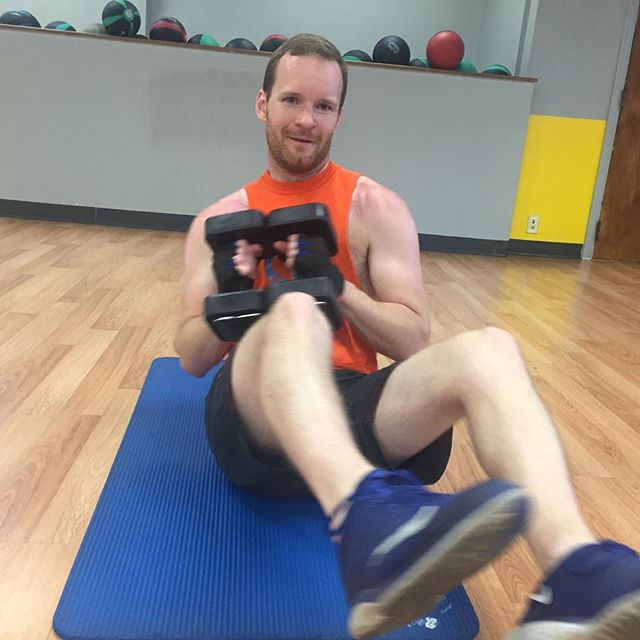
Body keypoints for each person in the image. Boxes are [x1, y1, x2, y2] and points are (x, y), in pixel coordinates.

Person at [175, 33, 640, 640]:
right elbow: (189, 357)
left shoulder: (375, 207)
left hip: (352, 406)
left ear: (340, 114)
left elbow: (414, 340)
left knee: (491, 347)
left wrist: (340, 288)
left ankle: (575, 567)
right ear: (262, 104)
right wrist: (230, 296)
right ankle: (367, 524)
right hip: (256, 418)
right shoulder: (218, 220)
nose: (306, 120)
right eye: (292, 100)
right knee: (293, 311)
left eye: (323, 106)